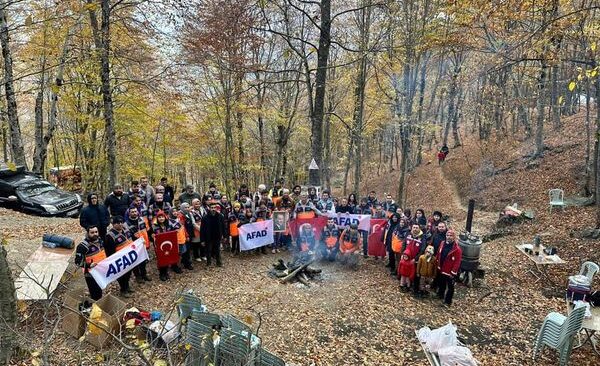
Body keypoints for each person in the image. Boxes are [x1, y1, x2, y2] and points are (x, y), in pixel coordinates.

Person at [104, 216, 133, 297]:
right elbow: (109, 251)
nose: (120, 224)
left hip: (128, 257)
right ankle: (123, 289)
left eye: (121, 222)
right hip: (119, 259)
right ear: (113, 224)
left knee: (128, 273)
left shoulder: (126, 229)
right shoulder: (110, 236)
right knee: (121, 275)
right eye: (118, 223)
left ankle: (127, 287)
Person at [75, 226, 105, 300]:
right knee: (95, 293)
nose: (95, 234)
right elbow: (77, 262)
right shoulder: (82, 246)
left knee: (100, 289)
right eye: (92, 232)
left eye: (96, 232)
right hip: (90, 274)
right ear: (87, 233)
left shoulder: (100, 241)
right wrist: (89, 265)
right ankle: (95, 307)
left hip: (101, 271)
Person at [153, 210, 182, 281]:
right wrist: (152, 236)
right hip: (160, 246)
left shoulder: (169, 223)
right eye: (159, 217)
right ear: (157, 218)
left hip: (170, 244)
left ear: (165, 217)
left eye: (162, 217)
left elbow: (177, 227)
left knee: (172, 254)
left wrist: (176, 230)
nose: (161, 218)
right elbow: (150, 234)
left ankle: (174, 266)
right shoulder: (154, 226)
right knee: (162, 258)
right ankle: (163, 273)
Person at [125, 206, 151, 283]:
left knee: (143, 260)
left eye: (135, 211)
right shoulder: (126, 224)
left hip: (143, 244)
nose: (134, 213)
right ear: (129, 213)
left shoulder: (142, 219)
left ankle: (144, 274)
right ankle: (138, 276)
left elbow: (147, 230)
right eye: (132, 212)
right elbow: (127, 236)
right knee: (135, 262)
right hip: (133, 246)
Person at [436, 230, 462, 307]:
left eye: (451, 236)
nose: (449, 237)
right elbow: (438, 253)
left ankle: (448, 302)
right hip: (442, 268)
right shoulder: (442, 243)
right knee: (441, 283)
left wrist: (453, 272)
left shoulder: (457, 249)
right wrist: (437, 262)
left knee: (450, 287)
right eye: (448, 235)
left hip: (449, 271)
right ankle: (440, 295)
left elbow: (457, 262)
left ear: (454, 237)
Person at [200, 200, 226, 267]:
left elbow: (223, 227)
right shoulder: (205, 218)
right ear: (209, 208)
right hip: (208, 237)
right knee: (208, 250)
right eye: (212, 208)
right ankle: (209, 263)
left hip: (217, 236)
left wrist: (225, 236)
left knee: (217, 250)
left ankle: (219, 262)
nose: (213, 209)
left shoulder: (220, 216)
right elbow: (202, 229)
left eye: (214, 208)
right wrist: (202, 240)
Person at [403, 224, 425, 294]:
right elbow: (404, 244)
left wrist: (415, 259)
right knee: (406, 272)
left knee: (415, 275)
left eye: (416, 228)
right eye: (414, 227)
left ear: (419, 229)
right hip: (407, 258)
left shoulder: (422, 237)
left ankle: (415, 289)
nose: (415, 229)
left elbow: (422, 249)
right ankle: (407, 286)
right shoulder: (408, 234)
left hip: (415, 260)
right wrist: (402, 254)